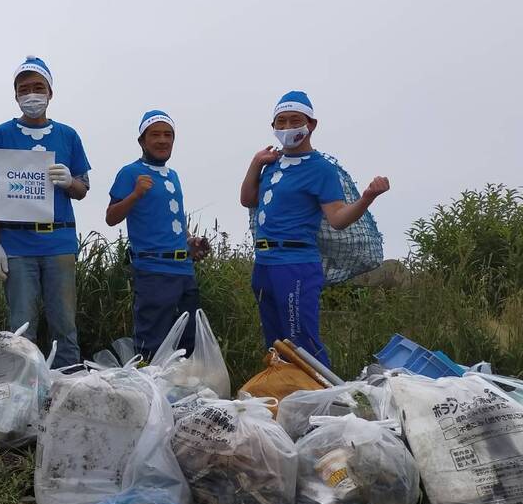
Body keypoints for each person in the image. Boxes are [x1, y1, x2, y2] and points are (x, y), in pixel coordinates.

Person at [239, 91, 390, 366]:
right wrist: (255, 164)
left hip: (295, 263)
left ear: (311, 124)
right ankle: (285, 397)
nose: (287, 128)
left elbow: (338, 218)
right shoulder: (271, 165)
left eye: (294, 121)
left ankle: (321, 398)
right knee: (274, 342)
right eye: (280, 122)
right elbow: (248, 200)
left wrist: (367, 198)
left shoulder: (321, 169)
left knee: (301, 341)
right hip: (264, 262)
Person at [0, 56, 91, 368]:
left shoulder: (68, 135)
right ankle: (22, 392)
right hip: (17, 244)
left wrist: (70, 181)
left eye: (38, 87)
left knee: (64, 325)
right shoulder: (1, 135)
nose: (32, 94)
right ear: (16, 95)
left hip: (59, 241)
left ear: (50, 92)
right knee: (21, 327)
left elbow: (83, 188)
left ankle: (68, 387)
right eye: (24, 89)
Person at [105, 110, 211, 360]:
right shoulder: (130, 173)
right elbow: (111, 217)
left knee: (188, 341)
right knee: (152, 341)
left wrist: (190, 241)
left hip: (183, 269)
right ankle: (150, 394)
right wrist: (135, 195)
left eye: (168, 135)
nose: (162, 140)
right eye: (155, 135)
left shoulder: (173, 176)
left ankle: (181, 395)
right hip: (153, 268)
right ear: (142, 140)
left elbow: (174, 218)